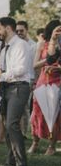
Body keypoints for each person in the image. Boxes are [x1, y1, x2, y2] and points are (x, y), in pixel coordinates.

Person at [0, 17, 31, 166]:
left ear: (8, 28)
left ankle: (22, 165)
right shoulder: (5, 47)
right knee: (6, 124)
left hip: (19, 87)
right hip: (5, 88)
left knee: (12, 124)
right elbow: (3, 67)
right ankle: (11, 161)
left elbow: (20, 69)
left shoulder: (21, 45)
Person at [29, 19, 61, 155]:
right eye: (57, 30)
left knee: (54, 113)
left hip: (58, 81)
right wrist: (48, 61)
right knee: (36, 113)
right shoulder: (42, 44)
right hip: (43, 80)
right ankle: (35, 142)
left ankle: (51, 146)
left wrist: (58, 67)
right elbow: (35, 65)